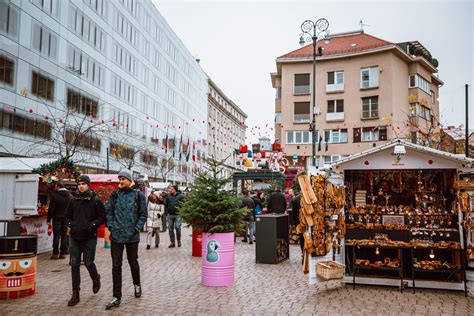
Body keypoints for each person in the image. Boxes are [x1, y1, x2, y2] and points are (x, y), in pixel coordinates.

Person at [105, 170, 147, 310]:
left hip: (132, 237)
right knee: (116, 266)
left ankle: (137, 284)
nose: (120, 181)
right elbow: (108, 211)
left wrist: (136, 228)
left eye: (123, 178)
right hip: (116, 235)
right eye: (119, 179)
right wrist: (111, 226)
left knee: (133, 262)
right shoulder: (115, 194)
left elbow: (143, 214)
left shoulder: (138, 195)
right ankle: (116, 296)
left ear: (130, 180)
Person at [64, 175, 105, 307]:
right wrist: (71, 224)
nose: (80, 186)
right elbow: (66, 216)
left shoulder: (96, 200)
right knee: (74, 264)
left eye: (83, 183)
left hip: (89, 237)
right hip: (75, 236)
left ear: (88, 185)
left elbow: (102, 217)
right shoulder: (73, 200)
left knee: (88, 262)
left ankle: (95, 278)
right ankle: (75, 293)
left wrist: (92, 225)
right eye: (79, 184)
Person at [48, 181, 73, 260]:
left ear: (58, 186)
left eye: (55, 186)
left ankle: (55, 253)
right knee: (64, 235)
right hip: (66, 219)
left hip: (57, 218)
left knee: (56, 235)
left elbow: (51, 209)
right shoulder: (70, 196)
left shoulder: (55, 195)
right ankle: (63, 253)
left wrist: (49, 219)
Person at [290, 190, 304, 261]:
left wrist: (293, 223)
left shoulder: (295, 199)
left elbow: (293, 212)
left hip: (299, 222)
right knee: (305, 237)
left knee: (302, 238)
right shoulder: (308, 197)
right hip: (308, 222)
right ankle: (305, 253)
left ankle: (303, 253)